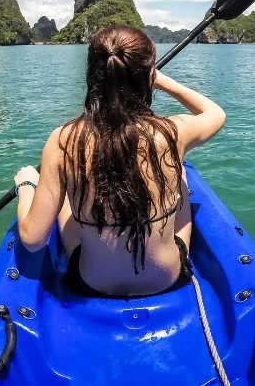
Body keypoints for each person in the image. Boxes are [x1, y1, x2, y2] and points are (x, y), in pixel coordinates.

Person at [14, 25, 226, 298]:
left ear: (92, 73)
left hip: (92, 283)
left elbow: (33, 240)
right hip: (167, 279)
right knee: (180, 176)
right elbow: (215, 113)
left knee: (65, 198)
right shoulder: (173, 133)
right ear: (147, 75)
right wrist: (162, 80)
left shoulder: (64, 141)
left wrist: (27, 187)